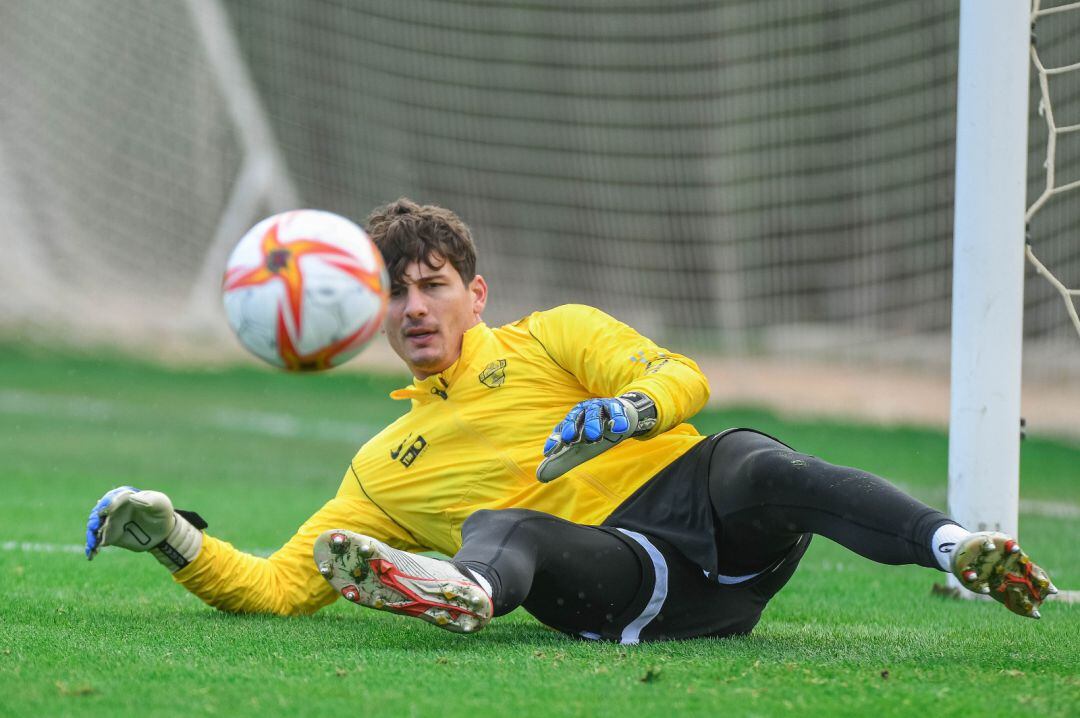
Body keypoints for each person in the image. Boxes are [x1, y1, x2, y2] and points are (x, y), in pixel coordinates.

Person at [85, 198, 1056, 642]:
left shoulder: (554, 336)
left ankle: (957, 544)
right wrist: (170, 537)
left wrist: (628, 409)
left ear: (477, 292)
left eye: (433, 286)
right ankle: (466, 591)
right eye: (392, 296)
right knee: (508, 528)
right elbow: (276, 589)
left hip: (716, 519)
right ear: (359, 317)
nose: (414, 308)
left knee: (756, 459)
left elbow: (681, 375)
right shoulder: (382, 469)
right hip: (634, 580)